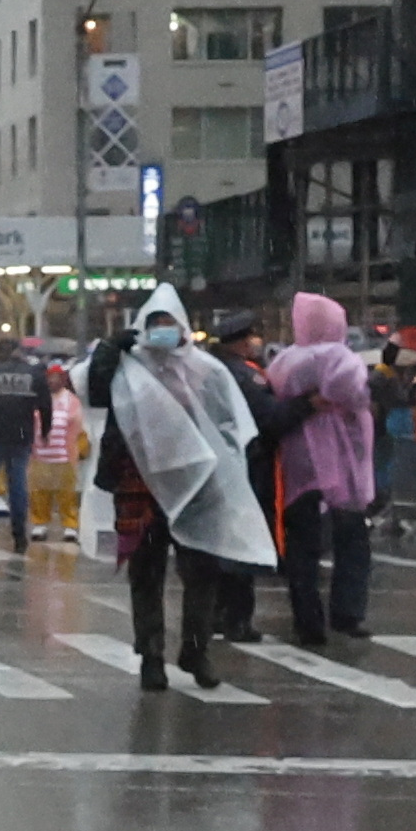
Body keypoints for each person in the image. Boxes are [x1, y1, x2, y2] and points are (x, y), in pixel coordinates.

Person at [87, 285, 264, 684]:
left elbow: (229, 423)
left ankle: (196, 652)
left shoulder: (204, 370)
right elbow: (96, 394)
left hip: (195, 484)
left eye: (171, 324)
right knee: (146, 574)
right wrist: (109, 350)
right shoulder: (127, 365)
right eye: (157, 324)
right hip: (141, 484)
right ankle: (151, 656)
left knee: (201, 573)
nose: (164, 332)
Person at [265, 292, 380, 645]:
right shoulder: (341, 358)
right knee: (352, 539)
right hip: (342, 463)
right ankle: (347, 612)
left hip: (298, 461)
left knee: (303, 547)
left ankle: (308, 619)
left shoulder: (284, 361)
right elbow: (355, 392)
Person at [0, 336, 48, 552]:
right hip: (21, 435)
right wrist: (46, 430)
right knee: (17, 485)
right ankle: (19, 534)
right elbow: (45, 404)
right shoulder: (33, 374)